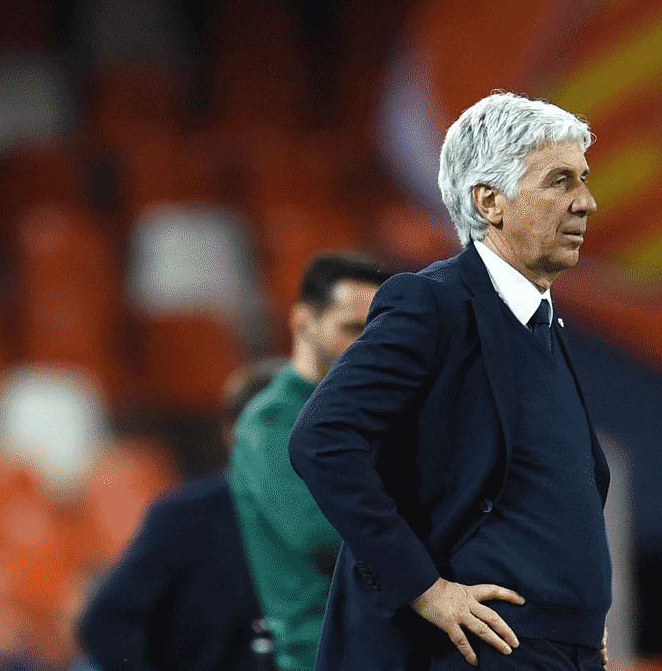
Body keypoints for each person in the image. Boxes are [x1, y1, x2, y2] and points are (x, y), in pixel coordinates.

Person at [288, 91, 611, 671]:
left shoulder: (543, 321)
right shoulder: (432, 304)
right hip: (472, 651)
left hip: (563, 650)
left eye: (583, 180)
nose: (586, 202)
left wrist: (576, 622)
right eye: (560, 181)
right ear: (491, 201)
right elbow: (322, 438)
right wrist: (426, 588)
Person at [230, 252, 391, 671]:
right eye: (352, 329)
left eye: (377, 330)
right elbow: (318, 533)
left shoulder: (378, 414)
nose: (368, 345)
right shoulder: (269, 421)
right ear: (303, 321)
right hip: (321, 654)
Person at [77, 358, 282, 671]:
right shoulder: (185, 517)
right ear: (230, 431)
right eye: (269, 423)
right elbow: (104, 624)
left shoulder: (338, 516)